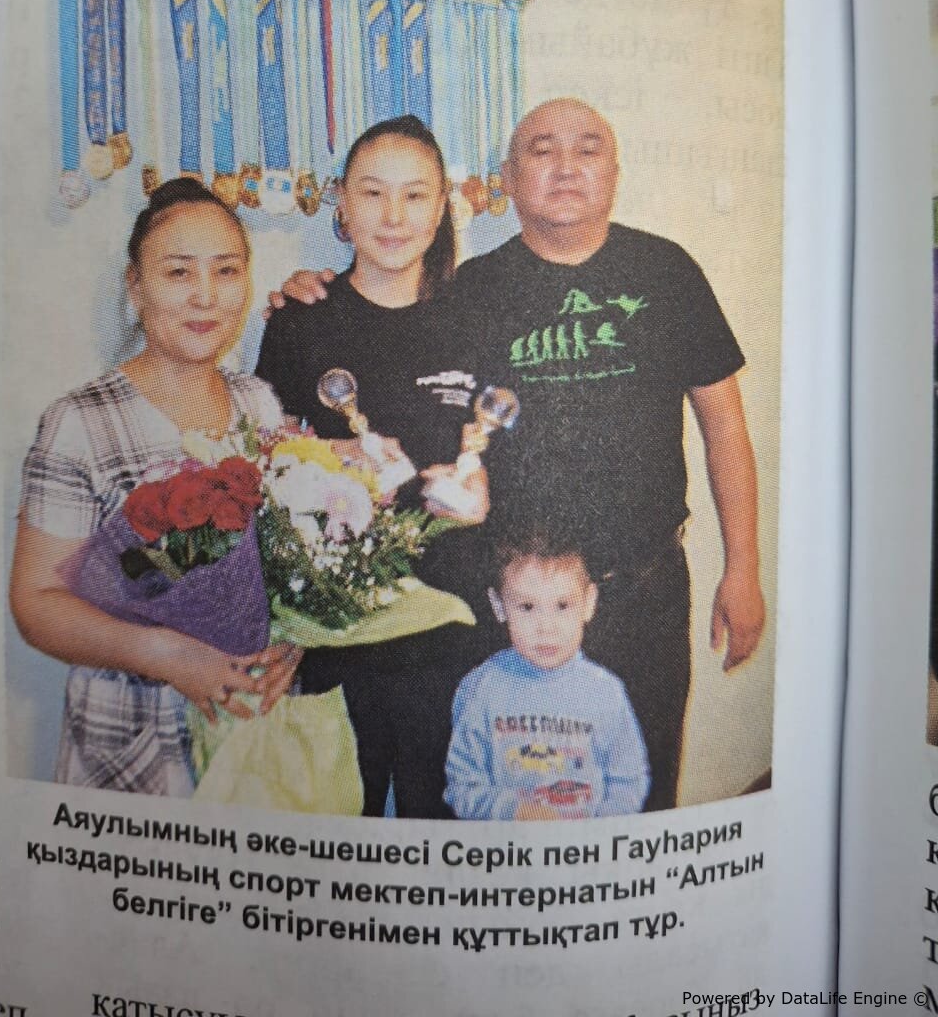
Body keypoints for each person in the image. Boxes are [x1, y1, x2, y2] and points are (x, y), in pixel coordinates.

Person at [272, 97, 765, 811]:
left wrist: (742, 568)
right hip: (513, 605)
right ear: (506, 178)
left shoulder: (666, 271)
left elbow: (726, 424)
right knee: (516, 805)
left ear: (616, 171)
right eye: (541, 150)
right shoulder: (471, 293)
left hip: (644, 589)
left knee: (639, 796)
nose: (566, 166)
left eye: (588, 149)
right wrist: (301, 290)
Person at [10, 179, 298, 796]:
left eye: (226, 270)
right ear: (135, 286)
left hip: (251, 733)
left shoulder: (260, 406)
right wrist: (163, 654)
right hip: (132, 736)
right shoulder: (81, 422)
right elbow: (36, 603)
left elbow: (293, 566)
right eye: (178, 272)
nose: (205, 295)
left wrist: (296, 642)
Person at [254, 114, 489, 819]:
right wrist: (336, 458)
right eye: (372, 192)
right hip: (332, 631)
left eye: (415, 196)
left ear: (441, 209)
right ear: (341, 203)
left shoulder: (473, 321)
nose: (393, 216)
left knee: (437, 837)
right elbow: (261, 463)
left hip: (446, 628)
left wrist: (480, 496)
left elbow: (499, 456)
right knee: (333, 838)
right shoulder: (300, 320)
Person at [445, 522, 649, 821]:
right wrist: (513, 811)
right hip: (505, 845)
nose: (546, 628)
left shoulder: (606, 692)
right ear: (499, 606)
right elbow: (463, 787)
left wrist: (597, 834)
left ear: (589, 602)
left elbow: (628, 783)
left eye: (562, 606)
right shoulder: (480, 689)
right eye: (527, 607)